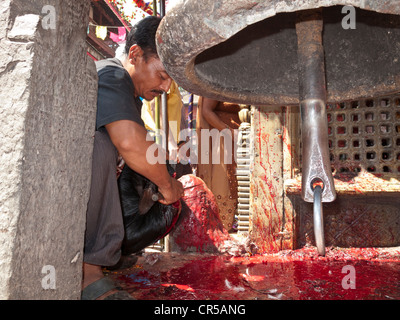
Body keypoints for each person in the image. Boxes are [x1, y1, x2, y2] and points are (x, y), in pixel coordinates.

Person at [81, 16, 184, 300]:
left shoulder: (130, 95)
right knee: (102, 145)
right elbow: (128, 141)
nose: (165, 88)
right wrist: (166, 186)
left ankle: (105, 254)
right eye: (162, 76)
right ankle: (87, 274)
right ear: (135, 54)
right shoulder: (113, 75)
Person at [196, 97, 240, 232]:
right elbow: (206, 111)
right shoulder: (218, 78)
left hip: (238, 138)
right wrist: (229, 131)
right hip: (222, 138)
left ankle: (226, 227)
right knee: (223, 183)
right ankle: (220, 229)